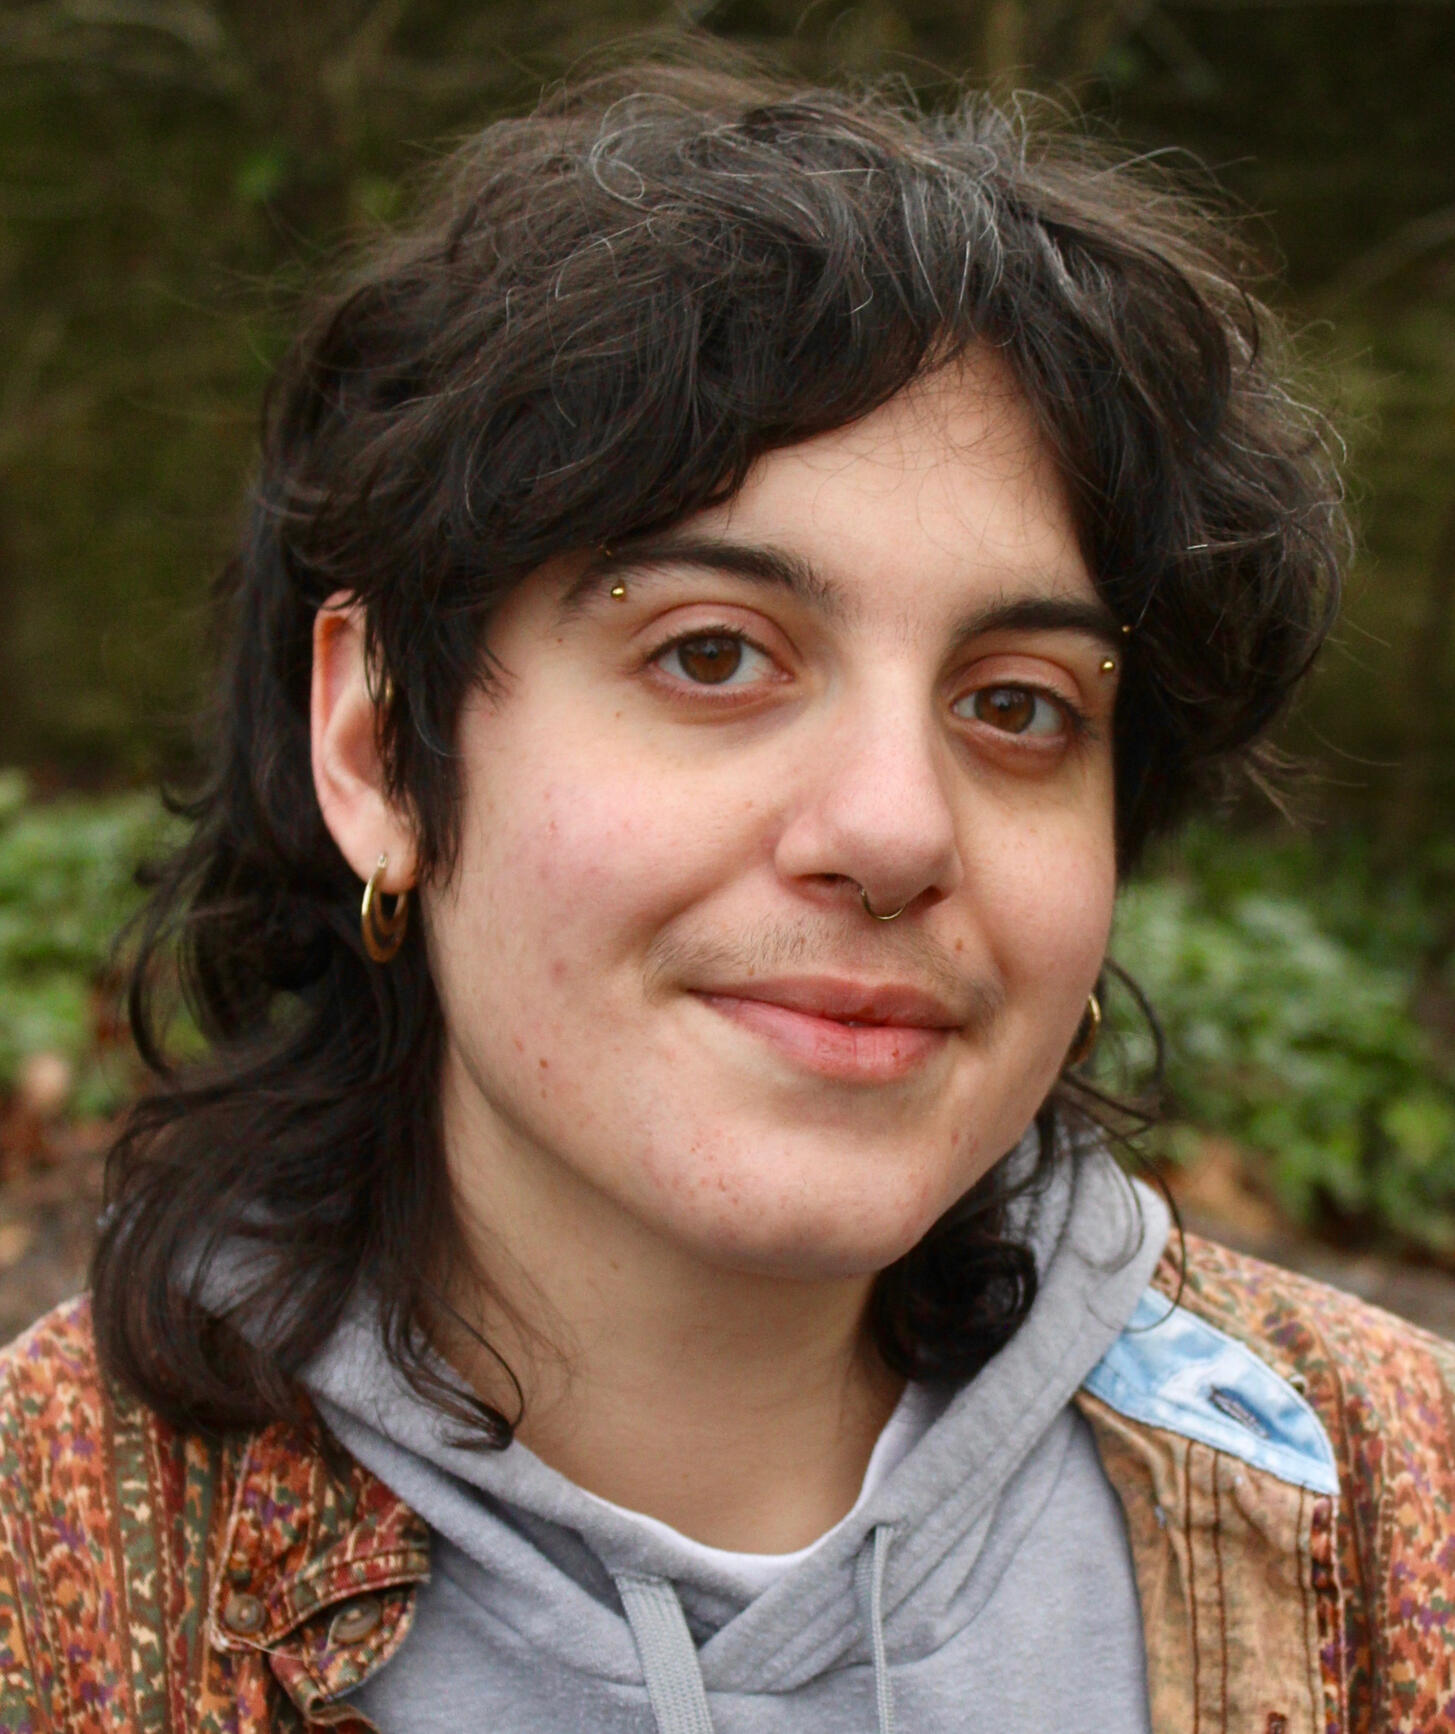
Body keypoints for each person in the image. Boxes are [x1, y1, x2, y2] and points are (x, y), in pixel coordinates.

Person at [2, 57, 1452, 1734]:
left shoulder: (1390, 1521)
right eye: (713, 654)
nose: (899, 829)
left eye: (1017, 702)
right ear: (380, 741)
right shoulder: (58, 1602)